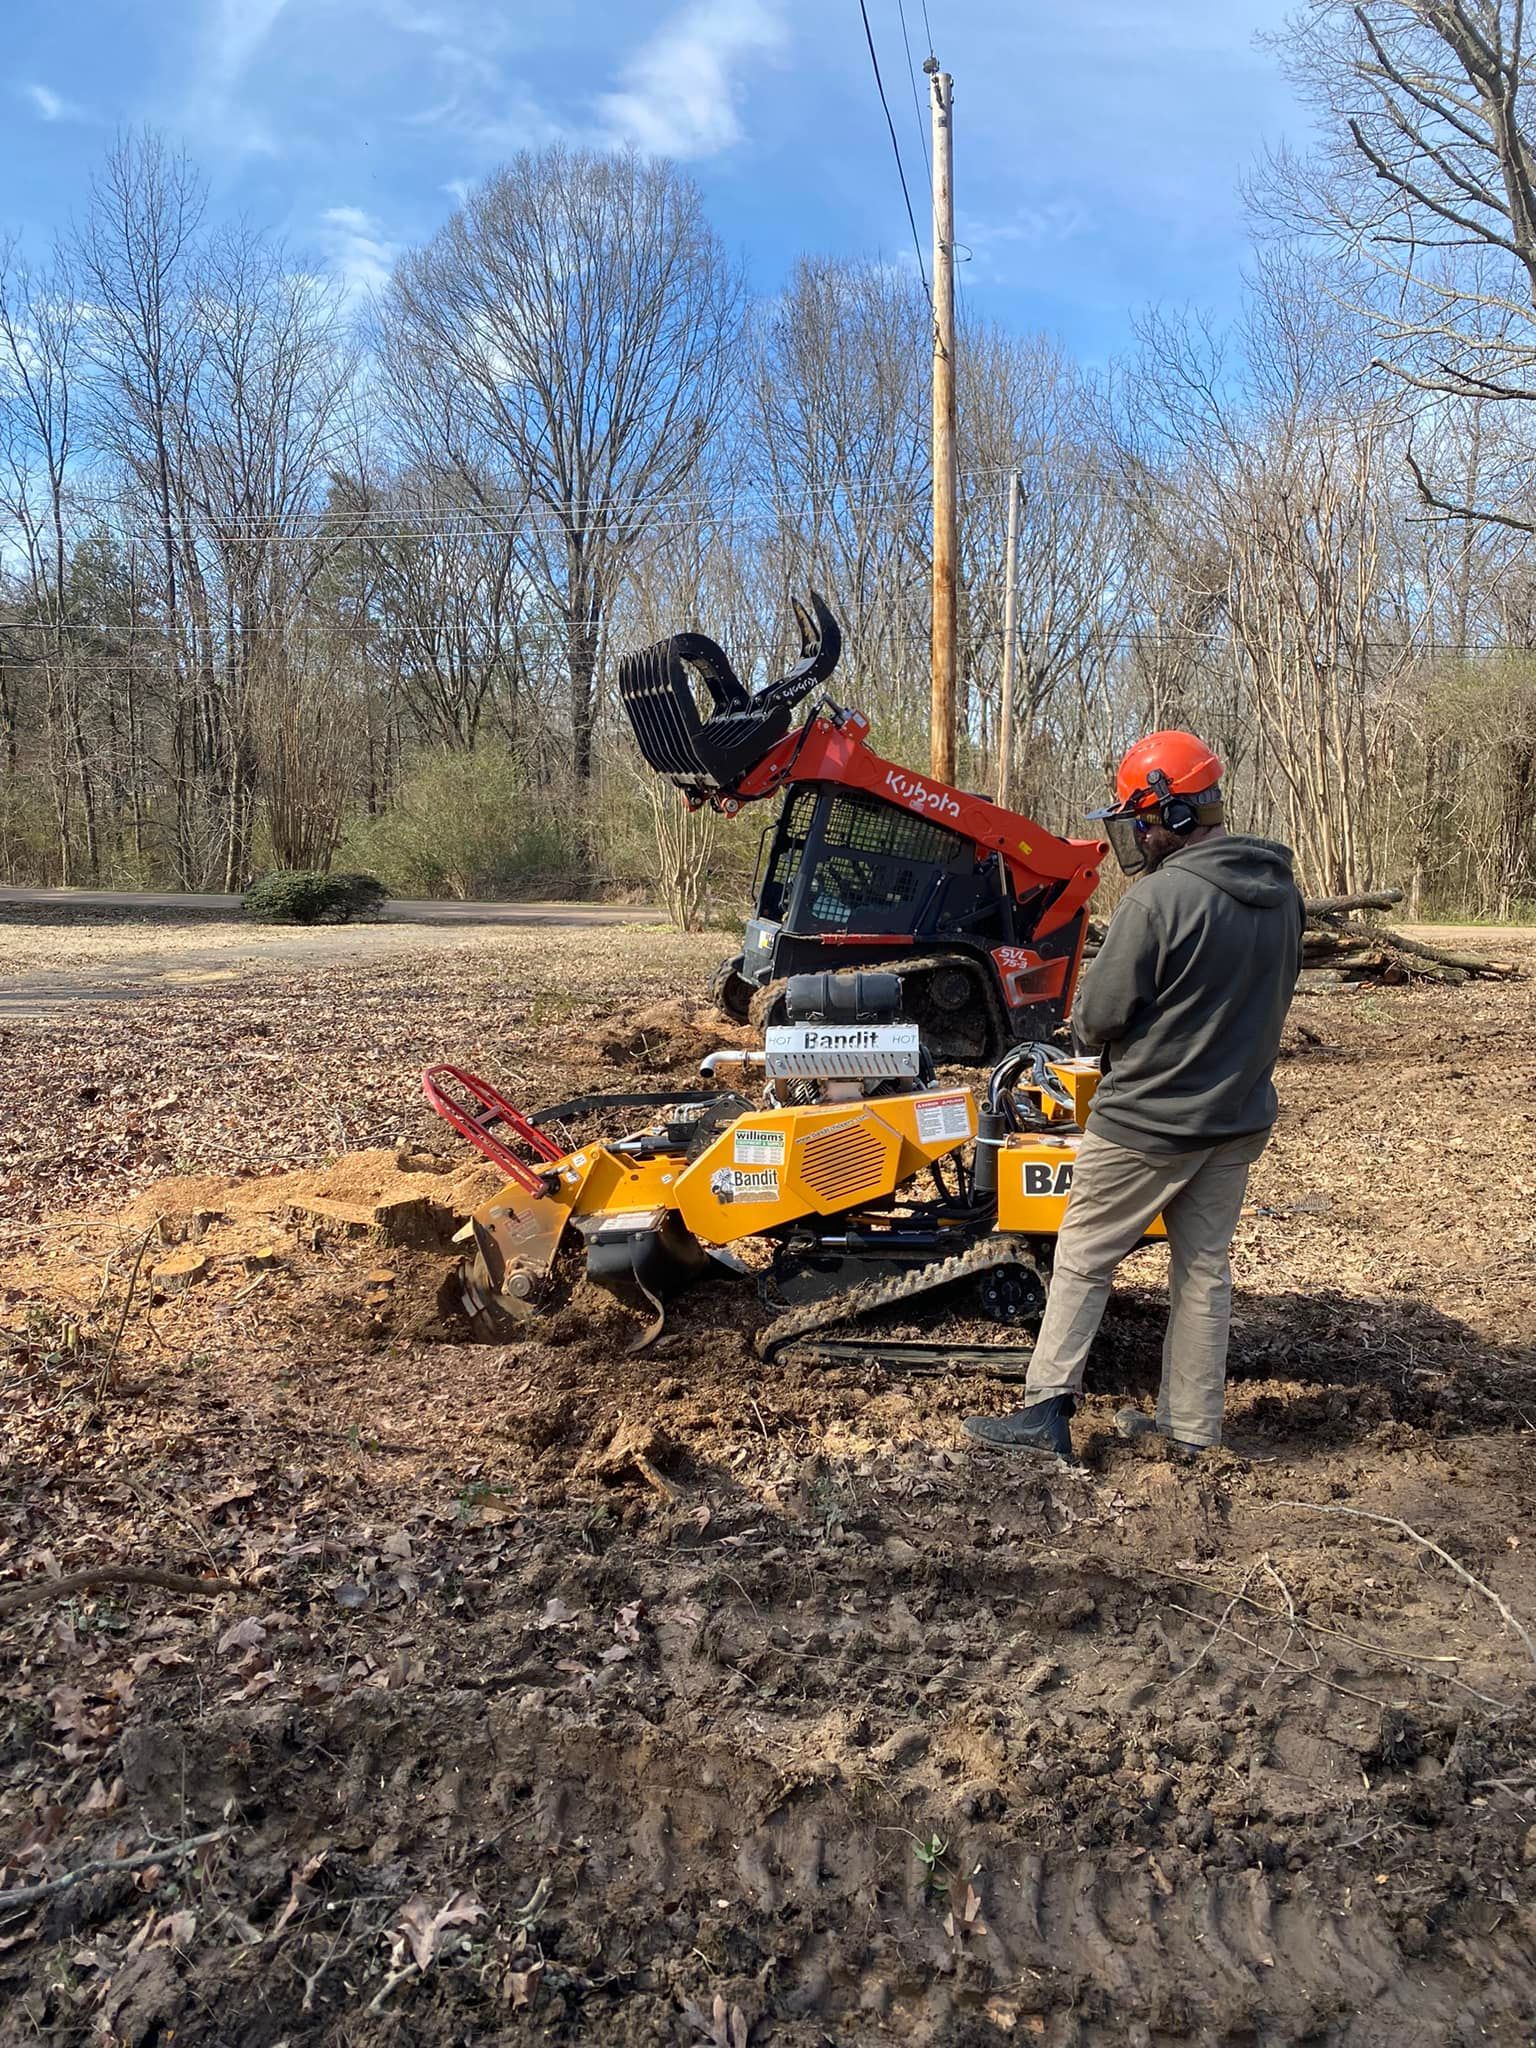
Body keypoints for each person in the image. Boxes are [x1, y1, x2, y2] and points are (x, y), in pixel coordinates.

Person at [965, 730, 1305, 1460]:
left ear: (1174, 816)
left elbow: (1096, 1017)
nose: (1138, 837)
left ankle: (1044, 1410)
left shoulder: (1159, 901)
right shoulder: (1281, 894)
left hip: (1147, 1121)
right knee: (1203, 1271)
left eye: (1141, 821)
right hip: (1235, 1117)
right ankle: (1190, 1429)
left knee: (1084, 1255)